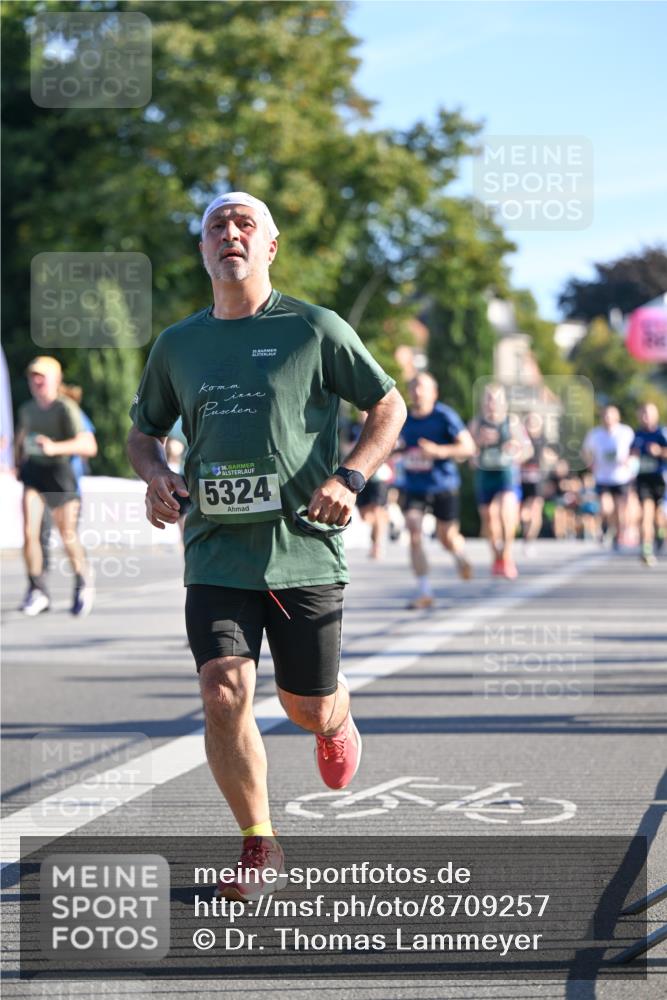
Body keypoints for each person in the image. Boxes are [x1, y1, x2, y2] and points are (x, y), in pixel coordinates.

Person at [127, 191, 406, 901]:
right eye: (216, 225)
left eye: (245, 223)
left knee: (301, 705)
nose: (230, 233)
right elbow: (143, 429)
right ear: (203, 250)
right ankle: (259, 842)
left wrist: (351, 476)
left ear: (270, 247)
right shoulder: (177, 344)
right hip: (216, 548)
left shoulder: (314, 329)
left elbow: (387, 403)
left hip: (304, 547)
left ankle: (333, 717)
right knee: (223, 691)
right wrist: (157, 473)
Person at [15, 356, 97, 616]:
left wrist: (54, 448)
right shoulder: (27, 409)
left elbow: (89, 446)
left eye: (42, 375)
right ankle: (37, 589)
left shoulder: (66, 408)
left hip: (61, 475)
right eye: (33, 376)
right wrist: (15, 459)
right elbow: (21, 439)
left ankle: (83, 580)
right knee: (30, 532)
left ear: (56, 379)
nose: (37, 380)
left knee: (67, 536)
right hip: (34, 473)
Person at [395, 372, 475, 609]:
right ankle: (424, 590)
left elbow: (468, 448)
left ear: (434, 393)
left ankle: (460, 557)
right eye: (413, 387)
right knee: (414, 530)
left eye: (422, 387)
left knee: (446, 537)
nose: (417, 392)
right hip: (414, 487)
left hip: (443, 485)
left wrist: (438, 452)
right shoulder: (403, 417)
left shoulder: (444, 416)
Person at [469, 382, 532, 579]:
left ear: (504, 403)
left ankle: (507, 556)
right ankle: (497, 556)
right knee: (489, 518)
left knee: (506, 513)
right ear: (483, 402)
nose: (492, 404)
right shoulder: (476, 423)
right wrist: (477, 445)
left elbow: (527, 450)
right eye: (488, 399)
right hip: (485, 474)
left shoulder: (511, 422)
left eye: (496, 400)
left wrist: (514, 449)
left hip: (506, 473)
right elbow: (467, 450)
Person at [581, 404, 635, 549]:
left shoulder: (626, 432)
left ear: (617, 417)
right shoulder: (595, 434)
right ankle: (605, 527)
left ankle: (617, 534)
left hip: (621, 477)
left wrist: (630, 461)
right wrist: (590, 463)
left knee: (619, 509)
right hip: (603, 477)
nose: (607, 418)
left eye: (610, 415)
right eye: (605, 415)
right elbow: (585, 451)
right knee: (606, 507)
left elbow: (635, 450)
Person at [348, 411, 392, 559]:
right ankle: (385, 521)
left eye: (365, 412)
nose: (362, 415)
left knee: (377, 509)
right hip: (360, 477)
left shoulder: (380, 425)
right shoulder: (353, 429)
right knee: (365, 515)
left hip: (378, 476)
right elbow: (346, 448)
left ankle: (377, 545)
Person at [631, 402, 667, 565]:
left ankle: (660, 532)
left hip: (661, 479)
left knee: (660, 515)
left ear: (656, 415)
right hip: (643, 479)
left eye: (649, 413)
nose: (646, 417)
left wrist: (659, 451)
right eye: (643, 413)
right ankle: (646, 549)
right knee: (646, 513)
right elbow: (631, 455)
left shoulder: (662, 433)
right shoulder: (637, 435)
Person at [519, 411, 556, 555]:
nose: (532, 425)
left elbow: (551, 455)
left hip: (538, 480)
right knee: (524, 513)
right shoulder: (521, 440)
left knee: (535, 510)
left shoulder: (543, 440)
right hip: (522, 479)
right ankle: (526, 536)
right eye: (529, 421)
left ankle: (529, 540)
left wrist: (550, 462)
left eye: (535, 422)